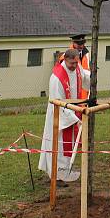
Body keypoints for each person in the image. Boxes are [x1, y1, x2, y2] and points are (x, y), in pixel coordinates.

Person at [39, 49, 91, 182]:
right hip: (60, 116)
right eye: (71, 63)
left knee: (69, 145)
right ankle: (56, 175)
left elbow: (84, 76)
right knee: (60, 147)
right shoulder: (57, 77)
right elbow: (58, 102)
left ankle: (65, 171)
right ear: (65, 60)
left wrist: (92, 75)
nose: (74, 66)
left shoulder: (77, 67)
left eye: (76, 62)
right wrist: (75, 119)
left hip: (73, 112)